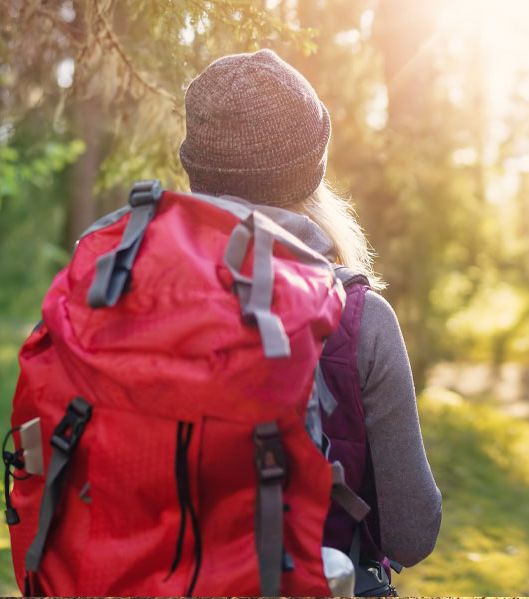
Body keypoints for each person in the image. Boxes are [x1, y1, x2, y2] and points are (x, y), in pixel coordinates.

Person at [177, 49, 442, 591]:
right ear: (310, 167)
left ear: (195, 167)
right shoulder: (357, 318)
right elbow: (411, 534)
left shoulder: (135, 291)